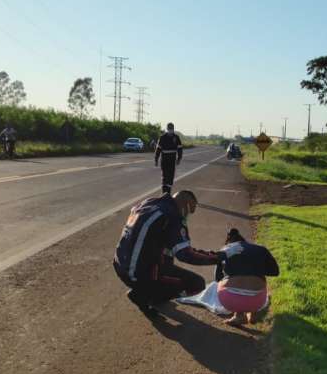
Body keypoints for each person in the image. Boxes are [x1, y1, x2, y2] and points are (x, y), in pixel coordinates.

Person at [113, 190, 242, 314]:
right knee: (197, 284)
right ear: (185, 206)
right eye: (189, 211)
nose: (187, 216)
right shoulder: (173, 216)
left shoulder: (149, 203)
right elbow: (186, 254)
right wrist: (219, 257)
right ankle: (145, 294)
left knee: (165, 254)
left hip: (120, 266)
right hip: (137, 274)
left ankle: (146, 290)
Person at [214, 228, 279, 326]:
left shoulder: (225, 250)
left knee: (224, 282)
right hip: (257, 301)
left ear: (229, 242)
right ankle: (253, 312)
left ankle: (238, 315)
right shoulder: (261, 249)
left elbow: (217, 278)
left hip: (229, 300)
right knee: (260, 278)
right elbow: (275, 272)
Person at [154, 122, 183, 194]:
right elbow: (158, 149)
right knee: (164, 176)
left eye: (171, 129)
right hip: (164, 160)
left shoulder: (176, 137)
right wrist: (156, 159)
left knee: (170, 177)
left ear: (173, 129)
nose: (170, 130)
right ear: (167, 129)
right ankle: (164, 193)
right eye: (169, 129)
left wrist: (179, 158)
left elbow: (180, 149)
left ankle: (168, 193)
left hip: (172, 160)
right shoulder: (162, 137)